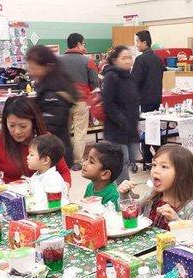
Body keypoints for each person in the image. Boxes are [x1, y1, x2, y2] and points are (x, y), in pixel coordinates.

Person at [0, 96, 71, 185]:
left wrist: (63, 190)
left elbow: (63, 172)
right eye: (11, 125)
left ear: (34, 123)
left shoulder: (45, 140)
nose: (16, 131)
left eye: (23, 126)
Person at [118, 144, 193, 237]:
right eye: (154, 165)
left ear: (181, 174)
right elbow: (134, 212)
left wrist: (176, 221)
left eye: (164, 167)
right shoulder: (153, 195)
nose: (155, 170)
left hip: (171, 251)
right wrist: (124, 195)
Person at [26, 45, 79, 166]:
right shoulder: (48, 85)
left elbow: (51, 128)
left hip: (53, 153)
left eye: (33, 67)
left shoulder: (52, 92)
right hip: (54, 150)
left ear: (48, 66)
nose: (30, 71)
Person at [59, 33, 99, 170]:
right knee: (79, 133)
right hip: (80, 101)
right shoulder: (87, 61)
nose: (84, 46)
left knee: (63, 131)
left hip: (62, 101)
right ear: (78, 44)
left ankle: (63, 159)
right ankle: (76, 161)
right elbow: (95, 82)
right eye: (84, 43)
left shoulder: (58, 60)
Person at [101, 45, 141, 184]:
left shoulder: (129, 76)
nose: (128, 61)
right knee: (121, 161)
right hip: (117, 128)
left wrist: (134, 121)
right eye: (124, 58)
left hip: (130, 126)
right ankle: (124, 192)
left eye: (129, 57)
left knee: (131, 159)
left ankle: (124, 187)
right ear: (115, 60)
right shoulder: (111, 76)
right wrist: (121, 121)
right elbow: (108, 103)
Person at [132, 30, 166, 167]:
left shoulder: (141, 59)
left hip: (143, 99)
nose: (136, 45)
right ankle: (147, 155)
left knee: (147, 128)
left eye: (137, 42)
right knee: (153, 127)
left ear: (144, 42)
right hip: (156, 98)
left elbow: (134, 81)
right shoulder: (157, 58)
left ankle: (160, 154)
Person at [26, 134, 69, 205]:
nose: (28, 157)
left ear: (45, 160)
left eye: (31, 155)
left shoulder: (53, 181)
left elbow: (54, 206)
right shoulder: (37, 175)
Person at [81, 142, 123, 211]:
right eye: (86, 159)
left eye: (91, 162)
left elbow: (109, 219)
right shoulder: (90, 186)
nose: (84, 163)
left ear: (105, 174)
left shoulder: (112, 195)